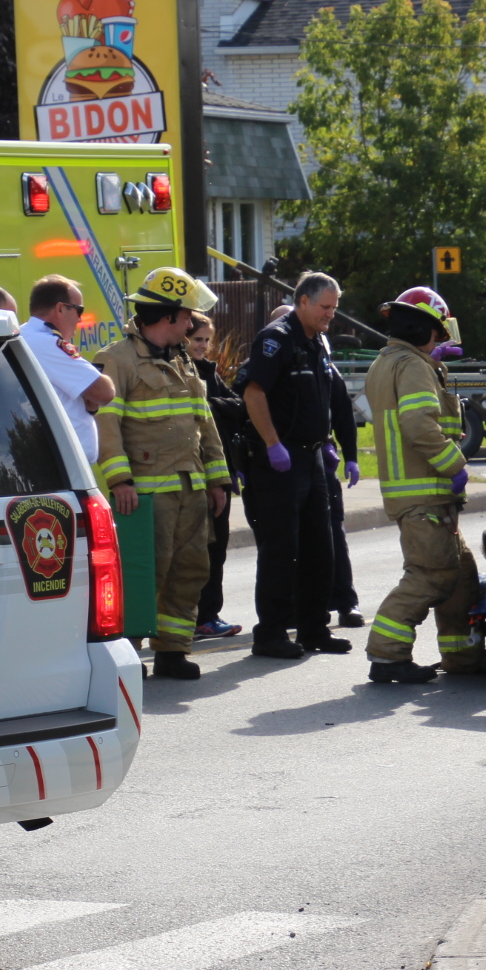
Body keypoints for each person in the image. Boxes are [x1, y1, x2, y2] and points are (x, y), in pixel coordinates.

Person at [89, 267, 230, 680]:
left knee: (189, 571)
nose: (191, 325)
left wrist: (218, 480)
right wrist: (119, 480)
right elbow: (106, 425)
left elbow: (204, 422)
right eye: (186, 316)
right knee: (141, 574)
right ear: (167, 316)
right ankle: (128, 654)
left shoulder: (183, 360)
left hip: (190, 487)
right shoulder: (117, 359)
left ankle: (172, 651)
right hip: (145, 494)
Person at [362, 286, 482, 683]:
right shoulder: (412, 366)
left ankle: (461, 657)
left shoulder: (387, 362)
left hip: (419, 492)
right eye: (437, 333)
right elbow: (418, 424)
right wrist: (454, 465)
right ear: (422, 329)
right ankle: (387, 654)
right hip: (424, 491)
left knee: (460, 574)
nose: (439, 342)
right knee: (430, 575)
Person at [236, 273, 352, 660]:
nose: (330, 314)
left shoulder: (316, 340)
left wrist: (334, 445)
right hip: (280, 460)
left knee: (320, 547)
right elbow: (254, 393)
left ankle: (314, 628)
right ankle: (270, 633)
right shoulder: (277, 338)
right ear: (303, 301)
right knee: (281, 549)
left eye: (334, 308)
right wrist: (272, 444)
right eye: (325, 307)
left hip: (312, 457)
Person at [188, 313, 244, 641]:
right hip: (195, 476)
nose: (204, 346)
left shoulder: (208, 371)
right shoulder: (183, 372)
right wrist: (216, 406)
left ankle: (209, 615)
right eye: (198, 339)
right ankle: (196, 617)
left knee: (217, 549)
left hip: (219, 473)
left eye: (207, 340)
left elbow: (238, 406)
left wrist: (213, 404)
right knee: (199, 552)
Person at [22, 275, 114, 464]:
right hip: (61, 465)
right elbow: (105, 393)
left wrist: (89, 400)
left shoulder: (25, 334)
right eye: (79, 310)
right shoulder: (46, 343)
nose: (80, 319)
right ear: (60, 308)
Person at [326, 360, 365, 628]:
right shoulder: (268, 363)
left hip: (320, 457)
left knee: (334, 534)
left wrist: (351, 456)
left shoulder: (325, 367)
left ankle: (345, 602)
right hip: (281, 463)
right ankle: (297, 607)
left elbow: (343, 413)